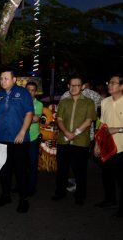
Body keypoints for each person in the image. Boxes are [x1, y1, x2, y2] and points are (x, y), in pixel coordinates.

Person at [0, 70, 33, 213]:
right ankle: (6, 195)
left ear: (14, 80)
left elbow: (29, 113)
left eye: (6, 78)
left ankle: (23, 199)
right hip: (2, 139)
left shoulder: (23, 93)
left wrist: (22, 132)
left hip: (19, 140)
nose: (2, 81)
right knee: (4, 170)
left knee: (21, 170)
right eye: (1, 78)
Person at [52, 75, 96, 205]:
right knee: (62, 169)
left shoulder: (89, 102)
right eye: (71, 85)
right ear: (68, 86)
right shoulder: (64, 101)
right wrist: (66, 132)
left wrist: (74, 133)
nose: (74, 88)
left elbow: (89, 121)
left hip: (81, 142)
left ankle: (80, 195)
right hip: (63, 141)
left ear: (82, 87)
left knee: (80, 170)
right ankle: (60, 192)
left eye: (77, 85)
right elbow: (59, 119)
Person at [94, 74, 123, 217]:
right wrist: (97, 145)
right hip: (106, 146)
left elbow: (113, 128)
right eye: (109, 82)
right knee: (107, 176)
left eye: (114, 83)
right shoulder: (104, 102)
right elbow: (102, 125)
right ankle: (110, 200)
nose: (110, 85)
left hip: (121, 148)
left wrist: (118, 129)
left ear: (122, 86)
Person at [25, 81, 43, 196]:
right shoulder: (20, 103)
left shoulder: (39, 104)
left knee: (32, 164)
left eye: (32, 90)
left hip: (32, 138)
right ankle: (20, 185)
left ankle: (32, 187)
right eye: (28, 89)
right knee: (20, 164)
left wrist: (21, 117)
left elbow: (36, 119)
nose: (30, 92)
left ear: (35, 92)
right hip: (20, 138)